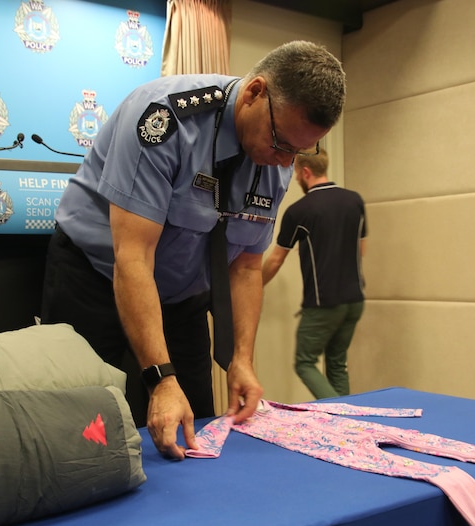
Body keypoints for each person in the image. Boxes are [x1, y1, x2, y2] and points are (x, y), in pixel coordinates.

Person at [40, 40, 346, 459]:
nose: (283, 163)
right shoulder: (164, 119)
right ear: (255, 92)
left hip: (181, 291)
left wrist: (242, 359)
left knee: (192, 429)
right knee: (87, 433)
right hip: (95, 278)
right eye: (280, 143)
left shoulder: (276, 160)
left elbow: (246, 267)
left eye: (298, 151)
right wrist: (161, 379)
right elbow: (133, 259)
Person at [261, 147, 367, 399]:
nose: (296, 178)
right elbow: (361, 249)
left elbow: (275, 261)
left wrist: (253, 287)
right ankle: (348, 424)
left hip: (323, 304)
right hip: (355, 300)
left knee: (305, 363)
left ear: (305, 171)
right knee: (337, 363)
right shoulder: (355, 200)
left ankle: (340, 418)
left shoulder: (300, 211)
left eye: (296, 172)